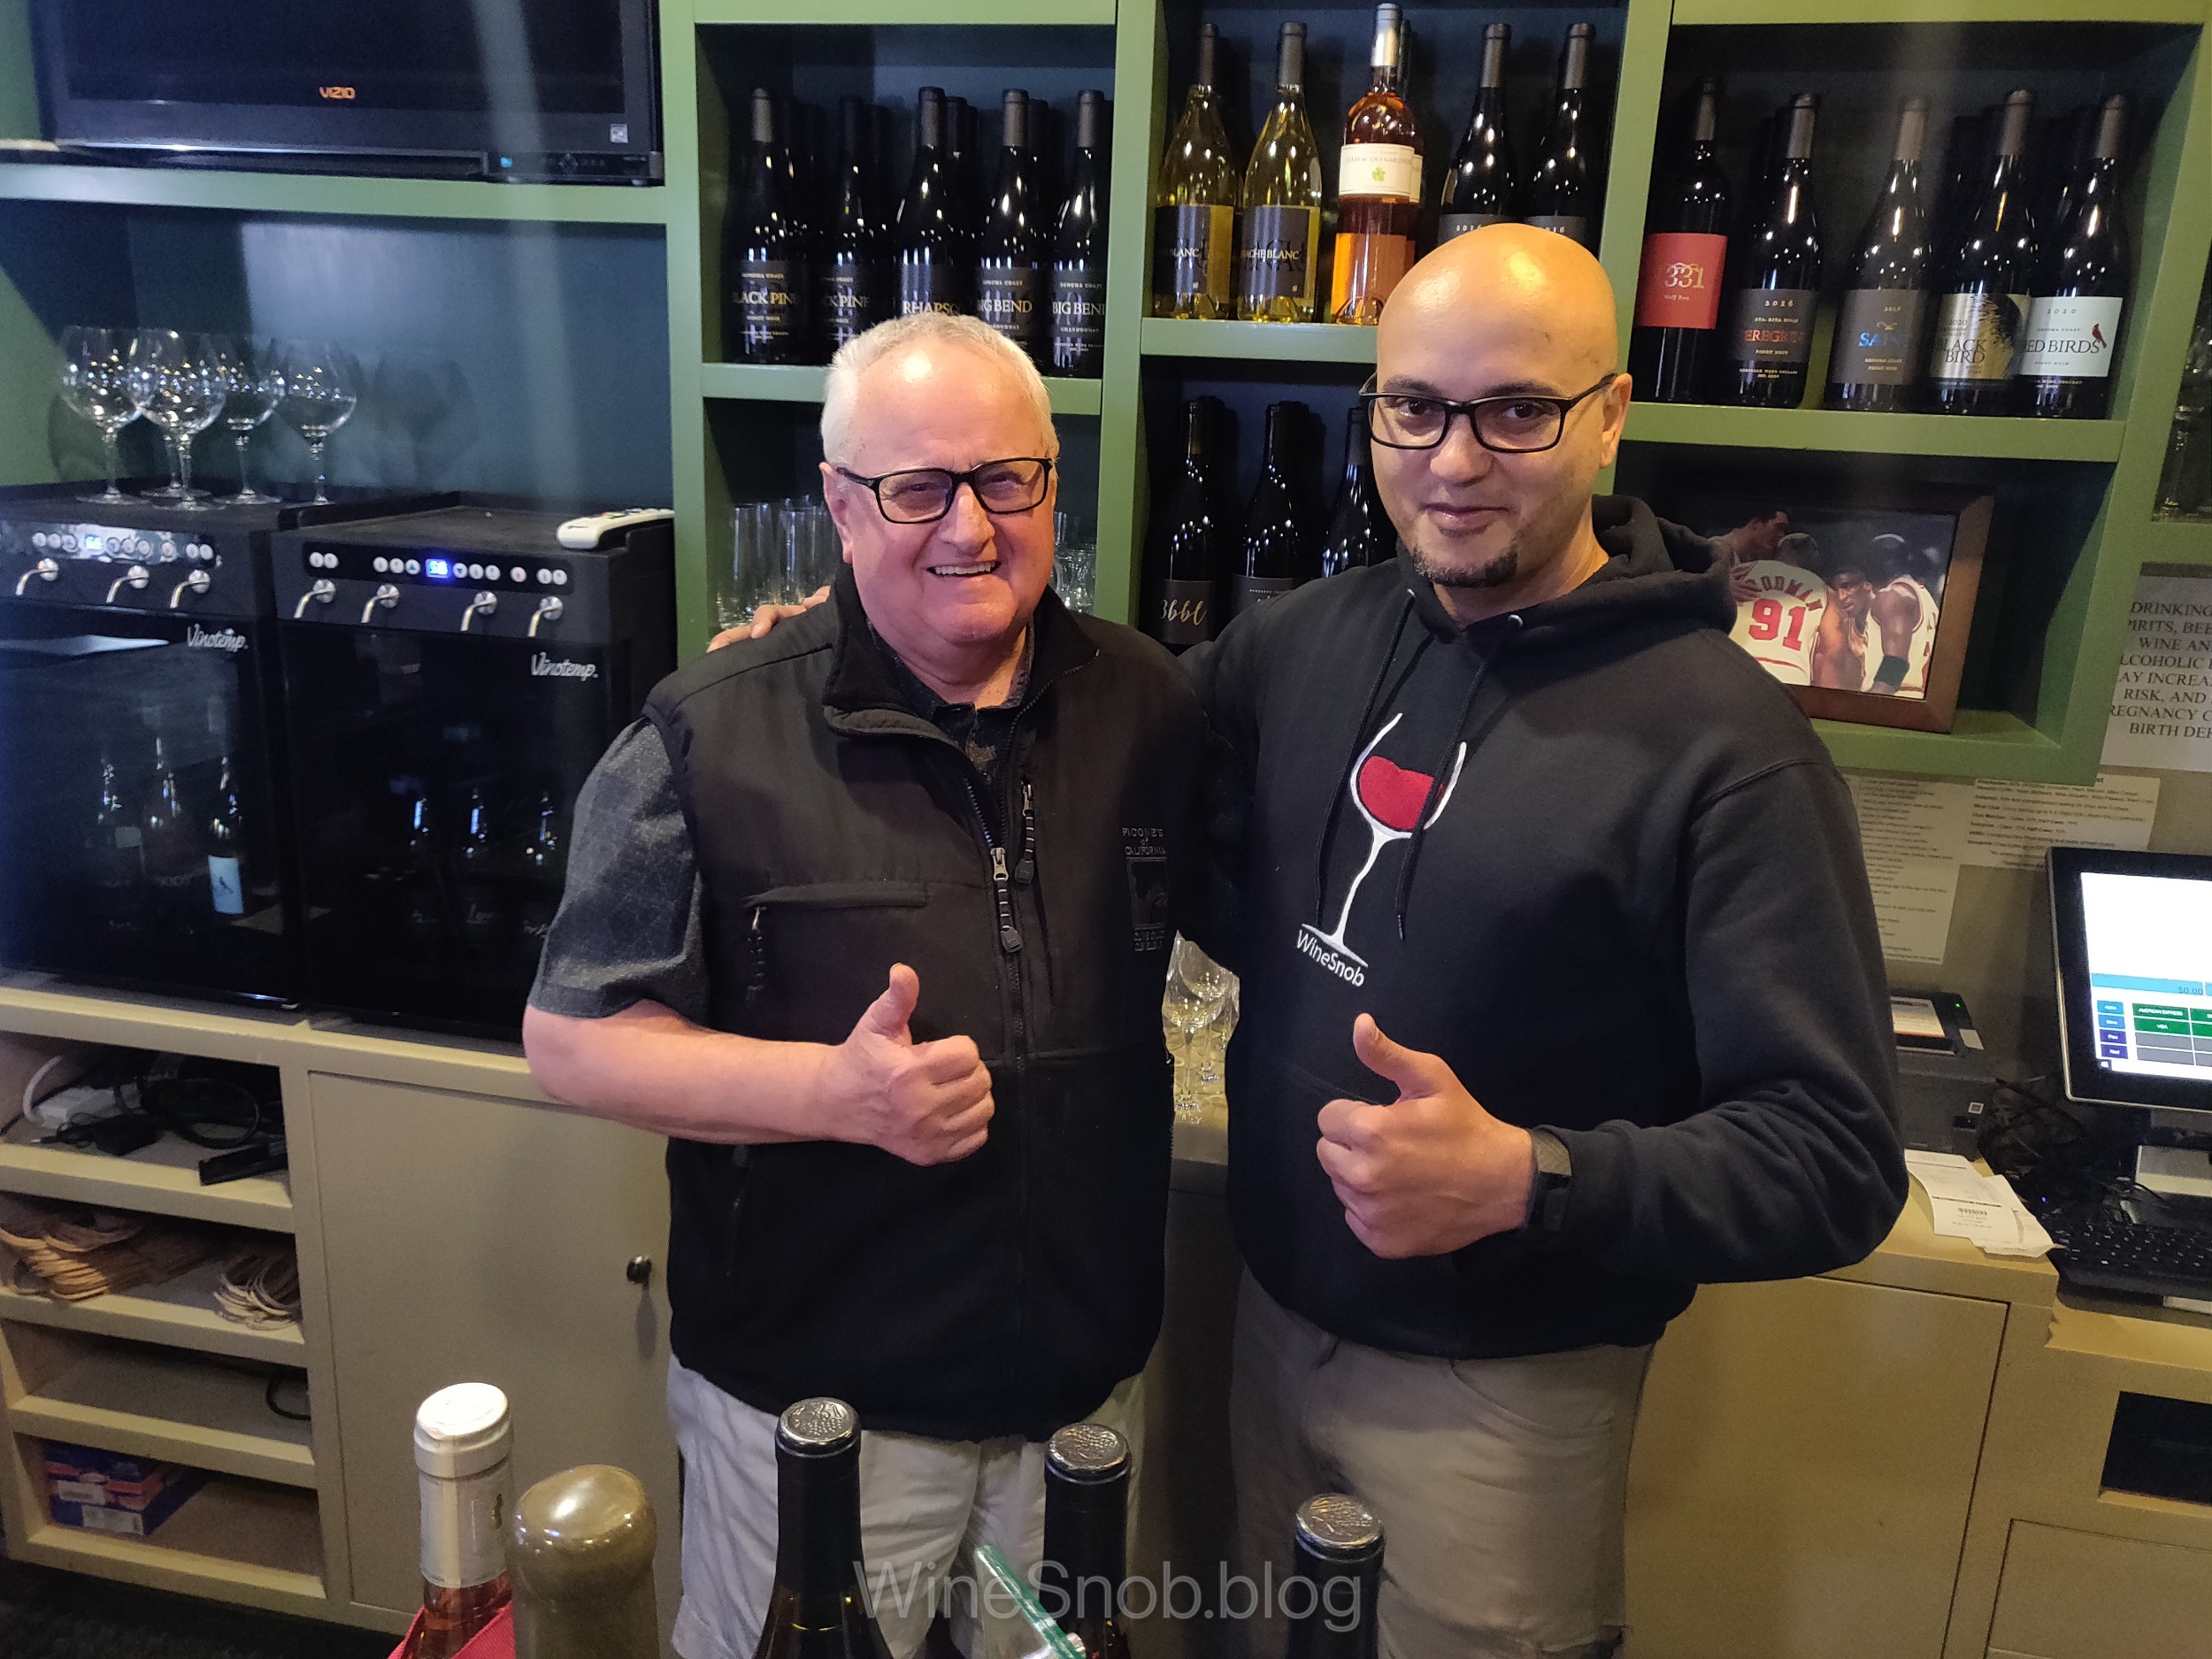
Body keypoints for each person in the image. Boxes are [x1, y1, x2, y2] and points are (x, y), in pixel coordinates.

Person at [1193, 224, 1905, 1659]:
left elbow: (1835, 1158)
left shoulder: (1727, 747)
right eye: (1414, 408)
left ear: (1611, 413)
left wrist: (1532, 1178)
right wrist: (842, 643)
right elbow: (1105, 739)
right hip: (1269, 1325)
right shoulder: (1308, 639)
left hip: (1499, 1396)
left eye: (1517, 411)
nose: (1454, 461)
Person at [521, 312, 1202, 1659]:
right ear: (840, 504)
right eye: (917, 490)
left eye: (1007, 480)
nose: (971, 528)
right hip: (815, 1417)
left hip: (1075, 1401)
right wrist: (833, 1094)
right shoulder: (707, 732)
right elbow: (575, 1038)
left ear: (1052, 484)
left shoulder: (1152, 706)